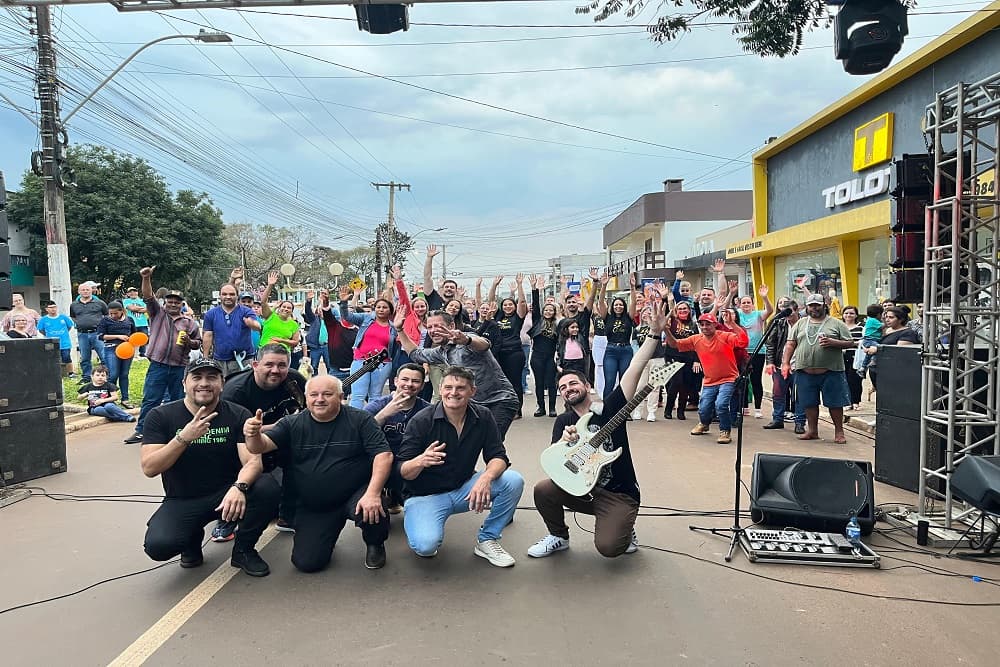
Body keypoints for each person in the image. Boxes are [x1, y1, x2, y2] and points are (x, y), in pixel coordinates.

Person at [527, 300, 670, 559]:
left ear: (587, 385)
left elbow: (633, 371)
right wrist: (562, 443)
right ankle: (558, 536)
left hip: (618, 494)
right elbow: (555, 463)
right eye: (563, 388)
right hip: (582, 488)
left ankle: (624, 525)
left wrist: (653, 335)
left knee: (609, 549)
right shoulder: (564, 421)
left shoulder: (611, 407)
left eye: (573, 383)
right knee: (543, 489)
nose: (568, 388)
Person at [140, 358, 280, 577]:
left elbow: (253, 461)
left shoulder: (237, 413)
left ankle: (243, 550)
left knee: (267, 488)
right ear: (184, 383)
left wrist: (239, 487)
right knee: (159, 546)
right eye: (197, 377)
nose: (204, 383)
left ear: (222, 384)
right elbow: (150, 467)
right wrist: (183, 438)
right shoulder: (161, 416)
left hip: (228, 495)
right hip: (183, 498)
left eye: (211, 377)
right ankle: (190, 541)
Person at [244, 375, 393, 572]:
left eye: (327, 394)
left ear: (341, 397)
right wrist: (253, 435)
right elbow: (259, 447)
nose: (320, 399)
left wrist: (373, 493)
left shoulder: (360, 419)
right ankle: (327, 535)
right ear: (306, 399)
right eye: (314, 394)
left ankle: (375, 543)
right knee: (307, 563)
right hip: (315, 505)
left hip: (356, 494)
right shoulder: (291, 423)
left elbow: (384, 455)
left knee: (375, 506)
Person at [395, 366, 524, 567]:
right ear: (440, 388)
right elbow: (403, 471)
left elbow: (498, 456)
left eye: (461, 388)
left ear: (473, 391)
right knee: (426, 547)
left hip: (463, 489)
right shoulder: (421, 421)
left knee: (513, 480)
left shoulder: (483, 416)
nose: (453, 393)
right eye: (448, 387)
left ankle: (488, 539)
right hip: (425, 497)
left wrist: (485, 478)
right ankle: (420, 521)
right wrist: (421, 460)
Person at [395, 306, 520, 440]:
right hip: (473, 404)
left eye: (438, 326)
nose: (433, 331)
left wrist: (466, 340)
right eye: (430, 327)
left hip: (500, 400)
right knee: (462, 443)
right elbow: (416, 354)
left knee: (491, 442)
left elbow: (484, 344)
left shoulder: (466, 339)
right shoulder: (440, 352)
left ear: (452, 325)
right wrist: (399, 329)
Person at [221, 342, 307, 534]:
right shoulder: (235, 392)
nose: (275, 370)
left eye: (282, 365)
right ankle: (230, 514)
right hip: (245, 449)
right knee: (267, 494)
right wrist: (279, 426)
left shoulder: (294, 380)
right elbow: (231, 435)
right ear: (255, 365)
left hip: (285, 446)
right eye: (269, 365)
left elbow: (311, 411)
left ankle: (287, 514)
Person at [124, 267, 202, 445]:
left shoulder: (189, 323)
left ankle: (177, 432)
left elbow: (198, 342)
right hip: (158, 365)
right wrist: (146, 278)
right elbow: (148, 296)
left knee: (178, 401)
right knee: (151, 399)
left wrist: (189, 342)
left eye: (177, 302)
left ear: (182, 304)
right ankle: (141, 431)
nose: (173, 304)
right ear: (165, 303)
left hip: (179, 366)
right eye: (170, 301)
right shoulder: (157, 313)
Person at [781, 293, 856, 444]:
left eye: (817, 305)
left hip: (831, 371)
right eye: (811, 305)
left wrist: (833, 342)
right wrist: (786, 363)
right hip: (805, 371)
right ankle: (812, 431)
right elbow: (790, 344)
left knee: (835, 403)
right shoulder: (801, 323)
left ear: (824, 306)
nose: (814, 308)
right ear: (807, 307)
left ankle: (839, 432)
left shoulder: (836, 323)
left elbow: (850, 343)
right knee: (808, 402)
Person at [663, 312, 748, 445]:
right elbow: (675, 344)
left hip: (728, 378)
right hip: (709, 380)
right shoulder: (696, 339)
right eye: (701, 324)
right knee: (704, 408)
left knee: (721, 404)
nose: (704, 327)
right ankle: (704, 424)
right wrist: (665, 329)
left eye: (708, 324)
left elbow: (743, 342)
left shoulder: (725, 336)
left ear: (715, 325)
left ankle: (725, 431)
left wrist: (732, 324)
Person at [365, 363, 430, 513]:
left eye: (415, 381)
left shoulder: (427, 411)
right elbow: (360, 435)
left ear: (422, 386)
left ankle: (398, 496)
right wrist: (384, 414)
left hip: (410, 465)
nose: (409, 384)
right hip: (378, 464)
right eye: (405, 379)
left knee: (416, 510)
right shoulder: (377, 406)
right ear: (395, 381)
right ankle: (384, 493)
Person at [338, 284, 396, 407]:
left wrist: (392, 289)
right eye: (378, 307)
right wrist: (343, 302)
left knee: (375, 396)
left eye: (384, 307)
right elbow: (347, 317)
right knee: (357, 395)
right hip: (361, 361)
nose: (381, 309)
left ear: (390, 310)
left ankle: (371, 421)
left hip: (382, 363)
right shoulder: (366, 319)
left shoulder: (394, 327)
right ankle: (354, 422)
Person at [486, 273, 529, 418]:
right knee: (500, 383)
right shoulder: (498, 316)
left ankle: (517, 410)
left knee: (515, 383)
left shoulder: (517, 318)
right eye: (505, 304)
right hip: (499, 354)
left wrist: (519, 285)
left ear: (514, 306)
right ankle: (503, 408)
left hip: (514, 353)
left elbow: (522, 302)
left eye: (510, 304)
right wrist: (494, 285)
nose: (507, 306)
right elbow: (490, 300)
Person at [202, 282, 261, 377]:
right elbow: (208, 335)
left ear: (237, 296)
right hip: (220, 360)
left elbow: (257, 326)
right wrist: (205, 358)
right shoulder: (211, 314)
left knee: (243, 388)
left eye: (232, 294)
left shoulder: (246, 311)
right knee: (222, 388)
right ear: (220, 296)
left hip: (244, 360)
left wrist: (252, 324)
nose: (228, 297)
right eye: (224, 294)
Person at [595, 275, 638, 400]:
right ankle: (607, 409)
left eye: (621, 305)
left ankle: (624, 409)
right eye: (616, 305)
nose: (618, 307)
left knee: (624, 382)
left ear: (624, 306)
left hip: (626, 351)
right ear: (612, 307)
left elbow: (634, 303)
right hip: (611, 351)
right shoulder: (607, 317)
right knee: (609, 381)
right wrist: (603, 286)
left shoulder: (628, 317)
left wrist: (632, 287)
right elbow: (601, 302)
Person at [762, 298, 802, 431]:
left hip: (799, 365)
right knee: (778, 393)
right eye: (786, 311)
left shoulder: (804, 323)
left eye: (791, 311)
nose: (789, 314)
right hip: (780, 364)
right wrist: (770, 362)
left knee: (799, 395)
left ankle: (800, 422)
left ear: (797, 310)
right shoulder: (778, 323)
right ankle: (777, 419)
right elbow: (770, 344)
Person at [736, 285, 774, 419]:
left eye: (748, 302)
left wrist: (764, 297)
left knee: (756, 380)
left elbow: (770, 310)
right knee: (743, 380)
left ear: (752, 304)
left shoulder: (758, 314)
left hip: (758, 352)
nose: (746, 304)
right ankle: (744, 406)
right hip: (742, 352)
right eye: (743, 302)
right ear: (739, 305)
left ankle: (758, 408)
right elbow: (726, 312)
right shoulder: (737, 315)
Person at [865, 306, 920, 392]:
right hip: (881, 372)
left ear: (900, 319)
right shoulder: (887, 330)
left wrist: (877, 349)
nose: (887, 319)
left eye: (891, 317)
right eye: (886, 317)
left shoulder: (908, 332)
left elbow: (900, 351)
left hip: (897, 374)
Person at [661, 301, 700, 421]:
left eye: (685, 309)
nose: (682, 311)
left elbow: (698, 343)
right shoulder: (673, 322)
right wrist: (664, 298)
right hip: (673, 355)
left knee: (686, 384)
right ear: (676, 312)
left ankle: (681, 410)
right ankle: (668, 409)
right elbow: (666, 310)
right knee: (676, 382)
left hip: (688, 357)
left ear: (689, 311)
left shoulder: (694, 325)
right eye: (680, 309)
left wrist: (696, 360)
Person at [527, 275, 559, 417]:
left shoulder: (558, 325)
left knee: (552, 383)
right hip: (537, 357)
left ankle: (552, 408)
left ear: (554, 312)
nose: (548, 312)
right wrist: (535, 289)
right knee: (539, 383)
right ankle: (541, 407)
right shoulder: (537, 321)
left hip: (550, 357)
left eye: (550, 310)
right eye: (546, 310)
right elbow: (535, 305)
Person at [97, 301, 138, 408]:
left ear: (122, 311)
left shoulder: (129, 320)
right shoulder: (105, 320)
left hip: (127, 349)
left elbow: (134, 334)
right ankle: (110, 398)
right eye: (110, 313)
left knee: (124, 375)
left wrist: (132, 340)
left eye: (115, 313)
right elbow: (101, 336)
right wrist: (118, 336)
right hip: (111, 348)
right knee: (113, 374)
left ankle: (125, 399)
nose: (112, 316)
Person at [70, 282, 109, 383]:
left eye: (87, 290)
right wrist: (80, 323)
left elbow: (107, 315)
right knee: (85, 357)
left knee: (103, 355)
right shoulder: (74, 305)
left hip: (97, 333)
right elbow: (73, 316)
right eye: (83, 290)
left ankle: (107, 376)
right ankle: (86, 377)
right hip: (82, 334)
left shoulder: (100, 303)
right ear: (79, 291)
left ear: (92, 290)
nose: (85, 291)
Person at [258, 271, 301, 353]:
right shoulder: (270, 316)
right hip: (266, 352)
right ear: (279, 308)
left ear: (292, 311)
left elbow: (295, 342)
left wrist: (281, 340)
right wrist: (270, 285)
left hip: (283, 354)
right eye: (284, 307)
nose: (286, 309)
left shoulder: (294, 324)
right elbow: (263, 302)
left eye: (289, 308)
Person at [37, 301, 76, 376]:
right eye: (51, 307)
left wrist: (63, 333)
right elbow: (41, 330)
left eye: (54, 307)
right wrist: (48, 335)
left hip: (64, 342)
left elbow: (70, 326)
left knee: (67, 357)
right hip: (51, 342)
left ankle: (71, 373)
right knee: (52, 358)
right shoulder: (43, 319)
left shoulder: (63, 317)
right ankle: (53, 373)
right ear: (46, 309)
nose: (53, 309)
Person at [841, 305, 864, 410]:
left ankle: (856, 401)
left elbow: (863, 342)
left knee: (855, 379)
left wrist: (850, 344)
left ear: (856, 315)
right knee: (843, 380)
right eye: (846, 313)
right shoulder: (839, 326)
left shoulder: (861, 327)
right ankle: (846, 401)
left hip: (856, 356)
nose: (848, 315)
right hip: (841, 356)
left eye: (851, 313)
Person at [856, 303, 885, 376]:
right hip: (870, 340)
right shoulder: (873, 320)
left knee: (868, 355)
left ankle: (862, 368)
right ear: (878, 314)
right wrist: (885, 321)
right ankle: (873, 362)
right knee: (878, 348)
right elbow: (882, 326)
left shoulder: (870, 320)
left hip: (869, 340)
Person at [122, 287, 150, 357]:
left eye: (134, 291)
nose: (133, 293)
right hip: (131, 323)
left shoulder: (142, 300)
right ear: (128, 294)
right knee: (130, 339)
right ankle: (130, 353)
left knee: (144, 338)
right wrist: (140, 309)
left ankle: (142, 353)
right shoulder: (126, 301)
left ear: (137, 292)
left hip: (143, 323)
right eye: (130, 292)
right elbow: (131, 308)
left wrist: (136, 309)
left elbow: (147, 309)